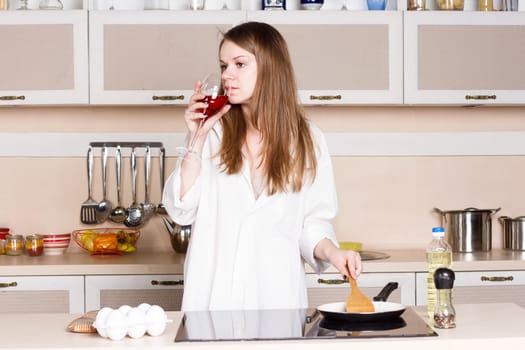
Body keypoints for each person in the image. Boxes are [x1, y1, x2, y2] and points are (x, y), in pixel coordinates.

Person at [163, 21, 362, 311]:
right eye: (223, 66)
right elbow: (180, 209)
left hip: (276, 298)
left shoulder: (308, 139)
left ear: (270, 68)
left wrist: (333, 253)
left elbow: (312, 221)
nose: (227, 75)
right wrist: (196, 138)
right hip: (213, 300)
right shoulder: (212, 133)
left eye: (239, 64)